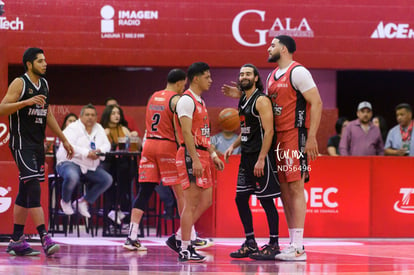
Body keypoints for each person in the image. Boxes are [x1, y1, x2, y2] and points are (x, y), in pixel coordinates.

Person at [222, 35, 323, 261]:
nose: (268, 48)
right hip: (277, 139)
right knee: (285, 191)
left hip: (295, 135)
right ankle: (292, 244)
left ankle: (298, 247)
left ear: (284, 49)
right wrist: (240, 94)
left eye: (273, 45)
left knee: (295, 188)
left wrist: (312, 137)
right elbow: (264, 103)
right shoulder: (270, 76)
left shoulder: (298, 72)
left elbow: (316, 102)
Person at [0, 47, 74, 256]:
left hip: (37, 144)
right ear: (30, 64)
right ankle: (45, 236)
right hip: (21, 143)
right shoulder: (20, 83)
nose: (45, 64)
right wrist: (26, 102)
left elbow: (48, 114)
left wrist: (64, 139)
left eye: (45, 60)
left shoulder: (45, 84)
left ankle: (16, 240)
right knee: (33, 187)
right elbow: (1, 108)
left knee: (25, 190)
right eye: (40, 61)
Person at [122, 69, 187, 251]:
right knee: (180, 192)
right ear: (181, 83)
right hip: (166, 145)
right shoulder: (177, 100)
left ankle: (132, 236)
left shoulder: (153, 97)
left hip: (149, 144)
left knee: (145, 191)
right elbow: (179, 127)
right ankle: (188, 234)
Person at [224, 64, 281, 260]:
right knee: (240, 199)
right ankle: (250, 242)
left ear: (256, 78)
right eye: (241, 74)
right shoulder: (243, 99)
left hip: (260, 157)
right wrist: (233, 145)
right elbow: (247, 129)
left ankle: (274, 244)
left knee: (266, 200)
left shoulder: (262, 100)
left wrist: (262, 158)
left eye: (248, 73)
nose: (244, 76)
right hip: (246, 157)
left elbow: (269, 131)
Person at [175, 62, 224, 262]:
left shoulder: (200, 101)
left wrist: (213, 155)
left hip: (203, 154)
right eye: (207, 77)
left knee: (206, 201)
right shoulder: (186, 101)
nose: (211, 80)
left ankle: (179, 236)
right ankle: (185, 248)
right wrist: (194, 158)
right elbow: (186, 133)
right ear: (196, 78)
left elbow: (203, 134)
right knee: (191, 204)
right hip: (191, 154)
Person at [56, 104, 112, 219]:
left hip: (89, 166)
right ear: (80, 117)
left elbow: (107, 145)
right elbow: (69, 145)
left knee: (107, 179)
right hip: (69, 162)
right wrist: (87, 153)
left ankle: (83, 202)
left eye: (92, 115)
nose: (90, 117)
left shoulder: (99, 128)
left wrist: (99, 151)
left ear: (96, 117)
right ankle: (65, 201)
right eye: (87, 115)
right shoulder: (73, 127)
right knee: (72, 177)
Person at [100, 104, 133, 224]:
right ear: (108, 115)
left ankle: (117, 208)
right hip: (108, 163)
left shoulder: (124, 129)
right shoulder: (102, 130)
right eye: (113, 113)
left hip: (122, 163)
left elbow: (131, 147)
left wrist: (133, 138)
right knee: (110, 178)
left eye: (118, 113)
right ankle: (114, 208)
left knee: (125, 174)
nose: (116, 116)